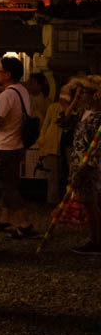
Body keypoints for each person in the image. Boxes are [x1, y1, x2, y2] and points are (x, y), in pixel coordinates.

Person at [0, 57, 33, 238]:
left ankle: (22, 222)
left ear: (8, 74)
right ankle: (5, 218)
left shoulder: (7, 95)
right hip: (17, 144)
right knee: (10, 183)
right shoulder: (22, 90)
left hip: (5, 145)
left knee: (7, 185)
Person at [67, 76, 101, 255]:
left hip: (89, 166)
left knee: (91, 202)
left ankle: (96, 241)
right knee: (88, 202)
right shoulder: (84, 112)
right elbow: (66, 118)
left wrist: (86, 167)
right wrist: (75, 98)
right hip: (79, 161)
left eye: (83, 92)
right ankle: (95, 237)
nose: (79, 96)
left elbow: (96, 147)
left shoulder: (97, 117)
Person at [39, 83, 73, 205]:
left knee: (67, 174)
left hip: (68, 146)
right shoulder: (53, 107)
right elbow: (45, 125)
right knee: (53, 175)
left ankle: (68, 202)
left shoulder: (76, 109)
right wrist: (42, 140)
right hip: (53, 145)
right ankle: (53, 201)